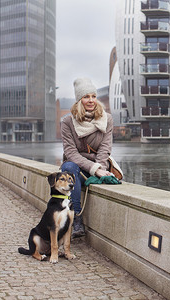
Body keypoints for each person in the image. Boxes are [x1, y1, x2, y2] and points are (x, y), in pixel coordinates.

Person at [60, 78, 115, 238]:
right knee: (69, 168)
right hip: (77, 168)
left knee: (72, 171)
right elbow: (70, 152)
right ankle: (77, 219)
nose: (91, 100)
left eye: (93, 96)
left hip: (97, 167)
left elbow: (105, 148)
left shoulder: (107, 119)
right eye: (86, 97)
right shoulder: (67, 122)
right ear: (79, 100)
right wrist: (93, 169)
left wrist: (99, 169)